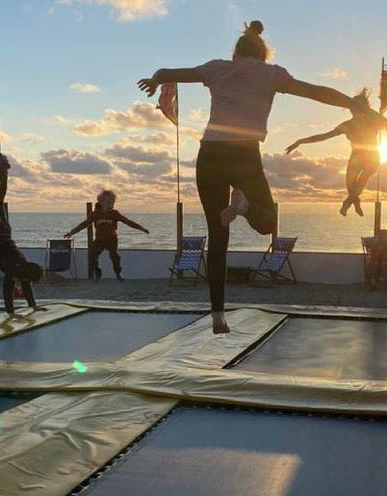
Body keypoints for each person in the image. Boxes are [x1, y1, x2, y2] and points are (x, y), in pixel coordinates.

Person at [138, 20, 356, 334]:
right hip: (244, 155)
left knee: (218, 235)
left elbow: (166, 72)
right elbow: (315, 92)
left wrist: (154, 81)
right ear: (262, 53)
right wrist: (352, 103)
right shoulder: (272, 74)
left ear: (236, 51)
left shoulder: (216, 69)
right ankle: (243, 205)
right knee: (265, 223)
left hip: (210, 153)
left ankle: (217, 316)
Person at [286, 89, 387, 216]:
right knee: (351, 186)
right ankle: (354, 201)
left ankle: (350, 202)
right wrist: (301, 141)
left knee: (361, 179)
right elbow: (323, 136)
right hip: (357, 156)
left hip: (371, 156)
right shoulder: (348, 124)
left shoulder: (374, 121)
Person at [0, 152, 44, 318]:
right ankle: (3, 168)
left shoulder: (22, 265)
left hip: (6, 232)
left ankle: (5, 170)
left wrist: (33, 306)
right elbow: (7, 291)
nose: (26, 283)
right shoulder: (14, 270)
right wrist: (11, 313)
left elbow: (25, 287)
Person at [64, 190, 149, 282]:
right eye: (108, 202)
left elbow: (127, 222)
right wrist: (71, 232)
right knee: (92, 256)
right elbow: (84, 224)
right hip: (99, 240)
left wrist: (141, 228)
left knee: (114, 256)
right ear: (101, 203)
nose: (111, 205)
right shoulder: (96, 214)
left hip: (112, 240)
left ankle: (118, 273)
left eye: (112, 202)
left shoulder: (114, 213)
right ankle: (98, 273)